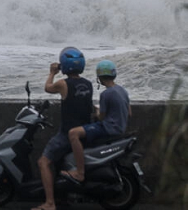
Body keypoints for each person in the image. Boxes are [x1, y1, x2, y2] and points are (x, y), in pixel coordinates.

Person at [32, 47, 93, 210]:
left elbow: (47, 87)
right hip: (85, 130)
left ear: (64, 65)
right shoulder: (88, 84)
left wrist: (52, 72)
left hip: (67, 134)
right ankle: (63, 197)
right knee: (59, 164)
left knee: (43, 162)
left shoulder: (62, 84)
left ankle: (50, 203)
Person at [61, 59, 131, 183]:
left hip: (109, 128)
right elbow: (129, 113)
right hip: (120, 128)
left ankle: (79, 172)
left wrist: (97, 111)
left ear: (99, 77)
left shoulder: (106, 94)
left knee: (73, 133)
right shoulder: (123, 90)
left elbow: (101, 118)